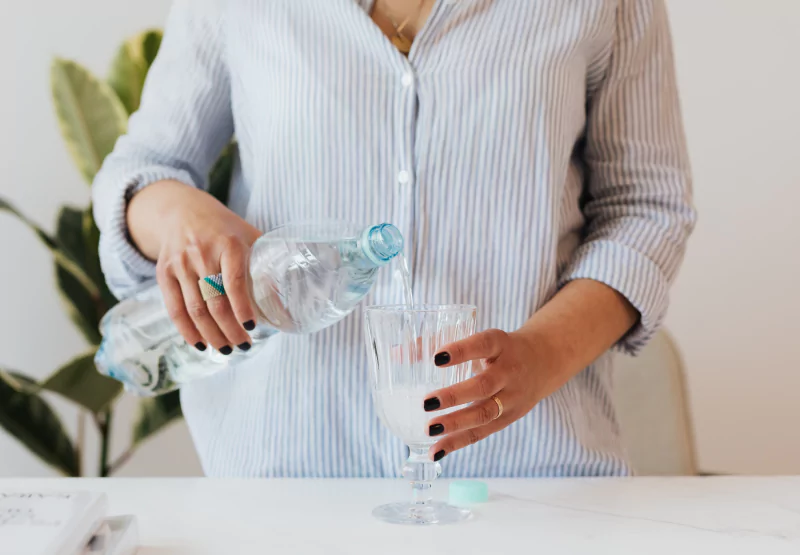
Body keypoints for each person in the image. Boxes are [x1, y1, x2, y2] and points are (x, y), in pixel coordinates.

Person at [93, 0, 696, 477]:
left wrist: (539, 357)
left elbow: (646, 209)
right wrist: (182, 219)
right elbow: (143, 171)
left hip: (531, 480)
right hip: (284, 476)